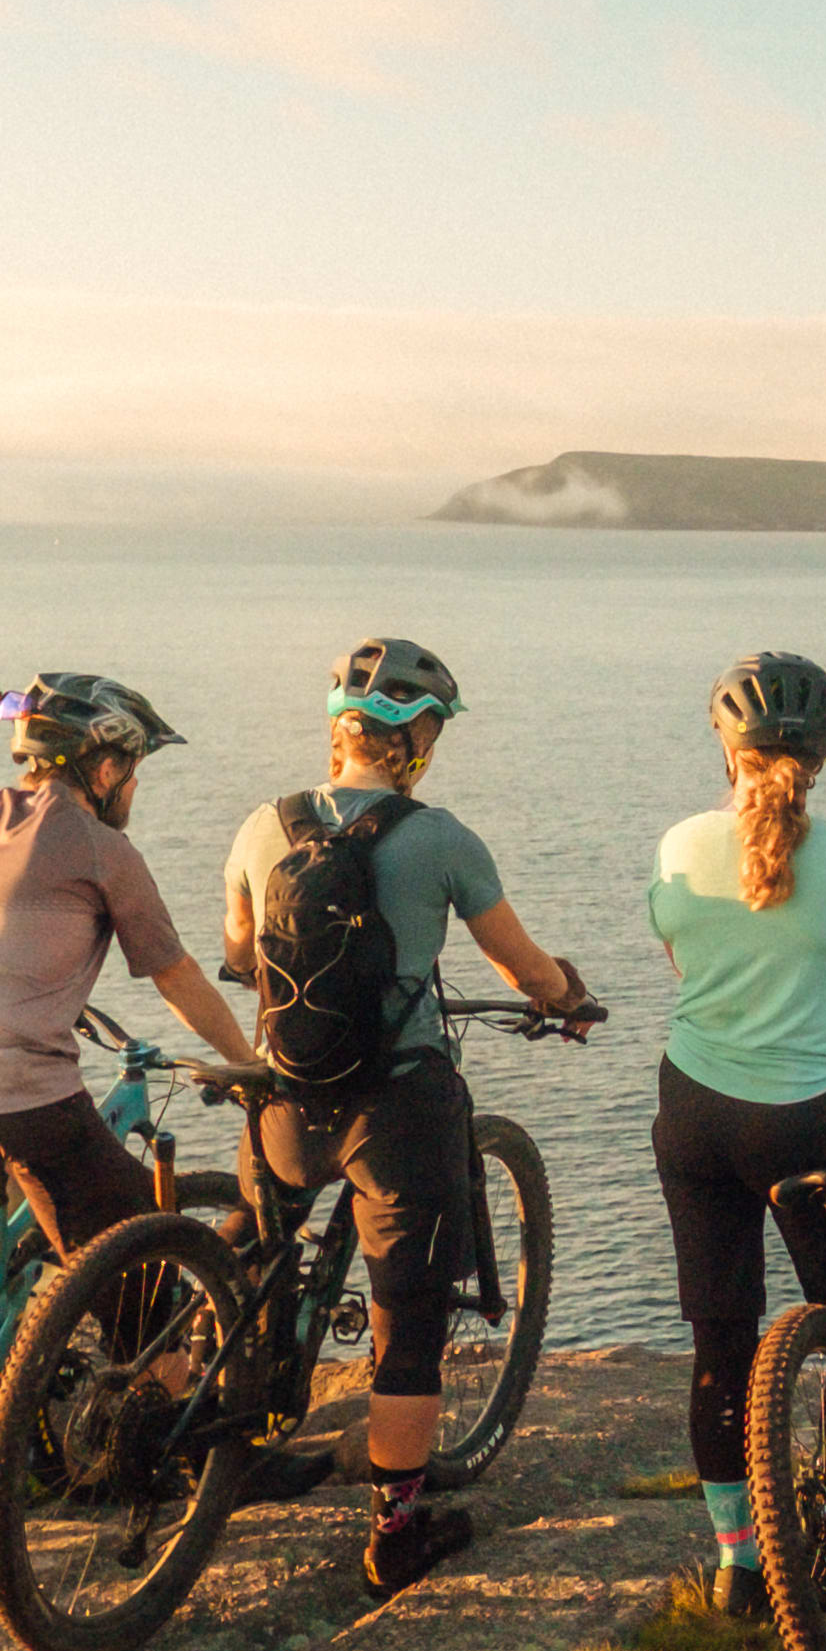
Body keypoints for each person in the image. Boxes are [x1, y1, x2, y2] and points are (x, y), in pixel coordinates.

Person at [225, 634, 599, 1595]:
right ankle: (396, 1529)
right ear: (419, 739)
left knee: (253, 1264)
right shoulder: (440, 839)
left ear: (338, 732)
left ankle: (220, 1434)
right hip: (393, 1105)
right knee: (407, 1314)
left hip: (284, 1099)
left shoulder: (261, 826)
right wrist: (563, 996)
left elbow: (237, 951)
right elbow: (522, 967)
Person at [642, 652, 826, 1617]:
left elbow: (686, 955)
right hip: (807, 1120)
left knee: (721, 1341)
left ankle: (739, 1565)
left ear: (727, 750)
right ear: (825, 755)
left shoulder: (680, 846)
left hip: (694, 1114)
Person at [0, 672, 263, 1270]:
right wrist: (244, 1061)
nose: (135, 785)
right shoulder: (100, 847)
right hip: (13, 1098)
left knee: (16, 1210)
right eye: (133, 769)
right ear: (105, 770)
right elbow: (177, 976)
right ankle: (149, 1361)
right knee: (144, 1249)